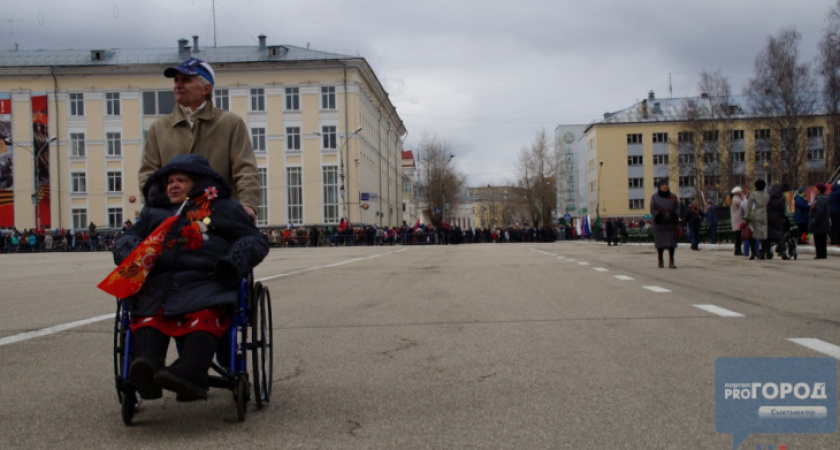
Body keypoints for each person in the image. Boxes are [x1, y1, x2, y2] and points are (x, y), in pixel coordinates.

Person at [112, 154, 268, 401]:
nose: (173, 185)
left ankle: (191, 372)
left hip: (206, 278)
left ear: (198, 183)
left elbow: (253, 238)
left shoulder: (223, 207)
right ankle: (146, 370)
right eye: (169, 181)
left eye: (181, 180)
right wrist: (132, 253)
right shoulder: (153, 211)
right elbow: (126, 237)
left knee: (205, 311)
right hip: (159, 280)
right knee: (147, 313)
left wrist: (233, 262)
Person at [139, 57, 260, 222]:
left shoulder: (230, 124)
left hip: (220, 217)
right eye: (176, 80)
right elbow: (148, 175)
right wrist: (159, 207)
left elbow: (246, 169)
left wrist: (247, 204)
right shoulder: (159, 128)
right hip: (172, 219)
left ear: (206, 88)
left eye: (186, 80)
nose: (178, 85)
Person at [649, 179, 681, 268]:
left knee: (671, 244)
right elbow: (652, 208)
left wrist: (674, 215)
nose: (664, 186)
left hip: (670, 223)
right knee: (660, 244)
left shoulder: (673, 197)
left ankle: (671, 261)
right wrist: (659, 216)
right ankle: (660, 260)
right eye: (662, 185)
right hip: (660, 224)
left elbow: (678, 207)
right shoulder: (655, 197)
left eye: (666, 185)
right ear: (659, 187)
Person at [746, 179, 770, 260]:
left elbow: (749, 206)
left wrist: (746, 216)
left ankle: (753, 252)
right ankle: (763, 252)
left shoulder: (753, 194)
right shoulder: (767, 195)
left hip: (755, 214)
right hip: (764, 214)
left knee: (753, 233)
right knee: (763, 234)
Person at [766, 182, 789, 259]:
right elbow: (782, 209)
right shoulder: (781, 197)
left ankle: (767, 251)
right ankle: (782, 251)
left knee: (768, 236)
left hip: (768, 217)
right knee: (779, 236)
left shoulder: (768, 195)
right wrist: (783, 217)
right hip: (777, 218)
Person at [810, 183, 831, 259]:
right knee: (822, 239)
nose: (815, 190)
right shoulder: (823, 198)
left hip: (819, 223)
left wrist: (814, 220)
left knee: (819, 239)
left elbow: (819, 211)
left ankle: (820, 254)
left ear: (819, 190)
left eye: (816, 189)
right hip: (823, 222)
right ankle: (822, 254)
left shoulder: (820, 199)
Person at [730, 187, 745, 256]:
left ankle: (738, 250)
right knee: (738, 236)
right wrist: (744, 197)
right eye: (741, 192)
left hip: (736, 219)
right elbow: (744, 204)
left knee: (738, 236)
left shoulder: (734, 199)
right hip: (738, 219)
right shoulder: (736, 199)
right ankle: (737, 250)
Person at [830, 180, 840, 245]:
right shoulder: (839, 192)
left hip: (831, 212)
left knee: (833, 226)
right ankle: (837, 241)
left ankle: (833, 241)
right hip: (838, 211)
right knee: (838, 227)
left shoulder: (831, 193)